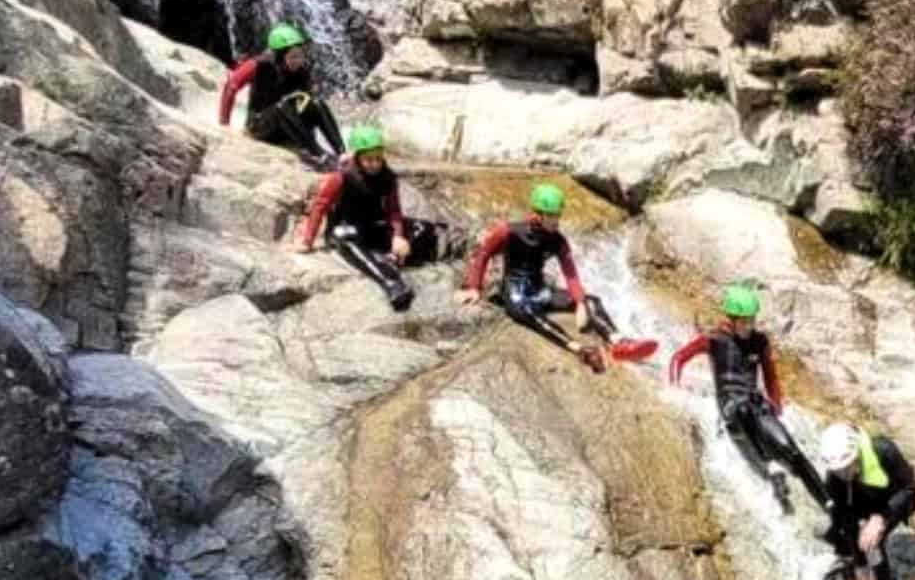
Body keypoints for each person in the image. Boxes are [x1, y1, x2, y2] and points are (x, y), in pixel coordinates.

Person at [458, 183, 654, 371]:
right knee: (525, 311)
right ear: (537, 214)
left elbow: (570, 273)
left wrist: (580, 303)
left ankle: (618, 342)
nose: (556, 220)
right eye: (552, 216)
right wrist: (474, 287)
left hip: (541, 290)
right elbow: (483, 253)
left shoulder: (557, 240)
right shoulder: (509, 231)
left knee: (592, 302)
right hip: (516, 292)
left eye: (558, 215)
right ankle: (577, 348)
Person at [668, 285, 827, 513]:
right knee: (743, 409)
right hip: (731, 406)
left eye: (751, 320)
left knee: (791, 451)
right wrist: (674, 386)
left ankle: (831, 505)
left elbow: (770, 377)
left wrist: (776, 406)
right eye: (743, 322)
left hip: (755, 403)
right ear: (731, 320)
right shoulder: (714, 339)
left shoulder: (759, 341)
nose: (749, 326)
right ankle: (771, 467)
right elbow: (679, 357)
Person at [290, 126, 443, 311]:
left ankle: (392, 258)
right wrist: (308, 241)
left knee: (423, 228)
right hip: (347, 229)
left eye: (378, 158)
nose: (375, 164)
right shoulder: (341, 177)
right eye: (368, 159)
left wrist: (398, 236)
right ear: (357, 157)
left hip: (373, 226)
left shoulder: (388, 177)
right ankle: (390, 281)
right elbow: (319, 207)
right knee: (342, 236)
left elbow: (394, 210)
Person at [219, 22, 345, 170]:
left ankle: (342, 153)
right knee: (283, 106)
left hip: (288, 128)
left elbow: (307, 103)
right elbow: (231, 87)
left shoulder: (302, 69)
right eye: (293, 57)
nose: (298, 60)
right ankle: (318, 154)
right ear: (279, 56)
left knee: (316, 102)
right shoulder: (257, 65)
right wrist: (224, 122)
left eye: (300, 55)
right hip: (260, 125)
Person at [818, 424, 915, 580]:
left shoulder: (884, 450)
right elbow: (847, 520)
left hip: (893, 498)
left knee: (873, 542)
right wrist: (860, 565)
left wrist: (881, 518)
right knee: (845, 534)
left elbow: (910, 486)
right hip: (864, 499)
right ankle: (865, 571)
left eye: (847, 467)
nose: (844, 474)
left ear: (858, 453)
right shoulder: (834, 479)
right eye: (839, 471)